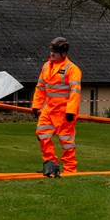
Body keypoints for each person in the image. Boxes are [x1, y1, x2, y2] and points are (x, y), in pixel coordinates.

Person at [32, 37, 83, 176]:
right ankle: (50, 165)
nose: (52, 54)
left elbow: (75, 91)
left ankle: (70, 169)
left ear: (64, 54)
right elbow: (40, 87)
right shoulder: (46, 66)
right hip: (49, 109)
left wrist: (71, 110)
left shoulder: (72, 69)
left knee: (66, 142)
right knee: (42, 135)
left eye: (55, 51)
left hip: (64, 111)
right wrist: (36, 106)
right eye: (51, 51)